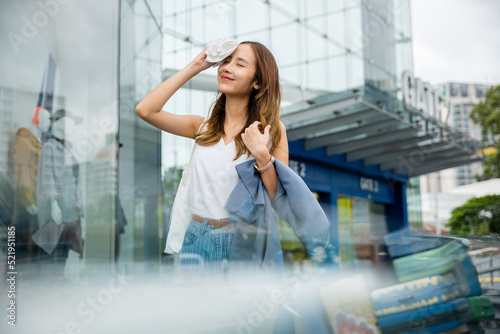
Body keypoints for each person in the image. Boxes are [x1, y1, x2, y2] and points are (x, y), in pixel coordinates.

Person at [135, 41, 289, 273]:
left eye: (239, 64)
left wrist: (262, 156)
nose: (227, 68)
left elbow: (279, 198)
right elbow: (145, 110)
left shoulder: (272, 131)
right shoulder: (202, 127)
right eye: (225, 61)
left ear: (257, 81)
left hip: (243, 239)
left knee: (237, 309)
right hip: (197, 237)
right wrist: (195, 66)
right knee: (196, 309)